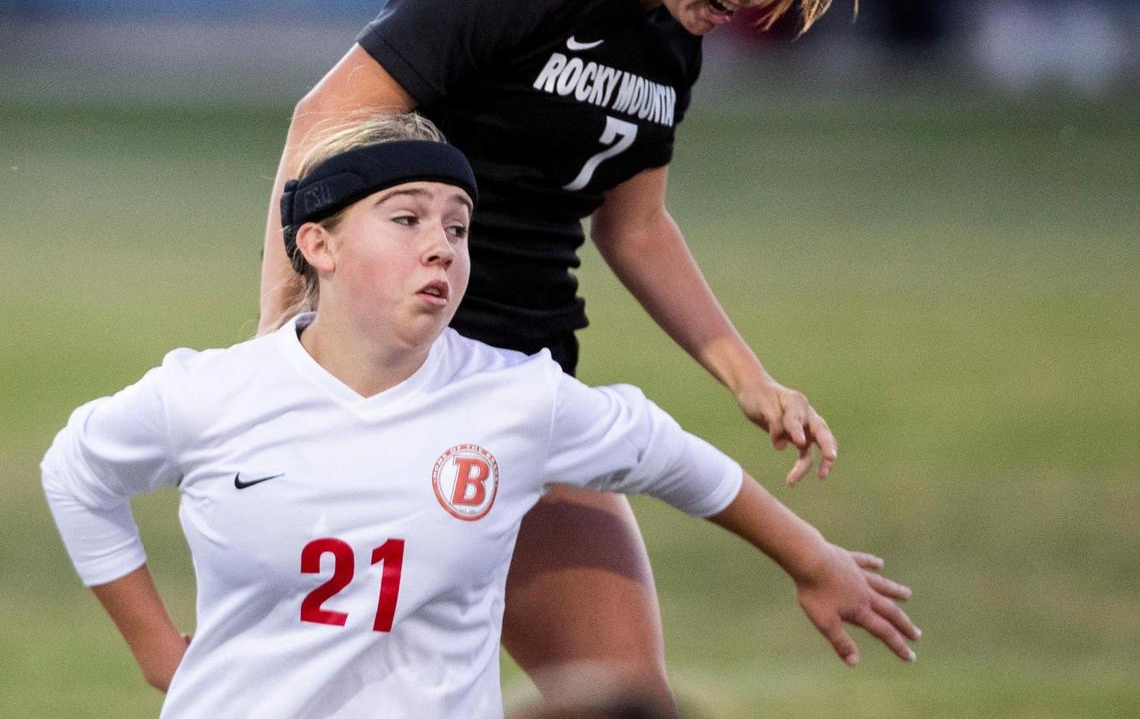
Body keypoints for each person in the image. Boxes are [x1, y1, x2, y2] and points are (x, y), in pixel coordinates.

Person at [259, 0, 868, 701]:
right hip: (396, 388)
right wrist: (276, 355)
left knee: (626, 696)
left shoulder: (672, 39)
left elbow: (635, 226)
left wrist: (747, 376)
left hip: (528, 390)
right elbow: (324, 123)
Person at [44, 115, 919, 718]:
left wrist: (811, 557)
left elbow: (668, 454)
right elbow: (76, 472)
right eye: (407, 218)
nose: (441, 245)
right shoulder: (213, 393)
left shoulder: (515, 398)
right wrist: (157, 649)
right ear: (318, 243)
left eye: (459, 226)